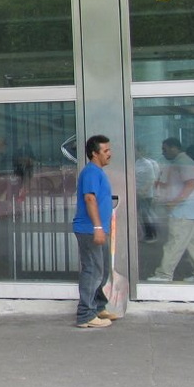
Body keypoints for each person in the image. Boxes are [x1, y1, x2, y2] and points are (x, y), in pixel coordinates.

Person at [72, 135, 116, 328]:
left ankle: (98, 307)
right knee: (93, 270)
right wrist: (98, 227)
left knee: (102, 270)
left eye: (109, 150)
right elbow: (90, 199)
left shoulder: (97, 172)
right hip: (89, 230)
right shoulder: (90, 172)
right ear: (94, 153)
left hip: (98, 229)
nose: (109, 154)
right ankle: (85, 315)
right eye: (105, 151)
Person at [150, 137, 194, 282]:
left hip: (183, 211)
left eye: (165, 149)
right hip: (190, 211)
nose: (163, 153)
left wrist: (174, 202)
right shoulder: (184, 161)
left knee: (175, 243)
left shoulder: (183, 162)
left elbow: (190, 183)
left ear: (174, 148)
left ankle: (164, 274)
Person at [134, 147, 160, 242]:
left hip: (144, 194)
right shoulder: (135, 162)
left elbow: (151, 179)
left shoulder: (146, 163)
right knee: (139, 215)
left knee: (146, 215)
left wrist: (143, 192)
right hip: (136, 193)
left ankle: (151, 234)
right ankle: (142, 234)